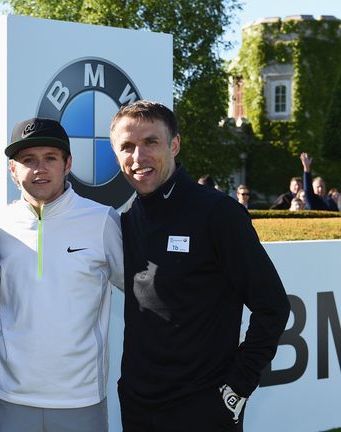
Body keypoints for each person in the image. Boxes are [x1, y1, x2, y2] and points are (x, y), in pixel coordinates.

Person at [109, 100, 290, 431]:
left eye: (151, 142)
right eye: (127, 147)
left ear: (174, 144)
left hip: (204, 410)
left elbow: (273, 306)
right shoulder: (126, 219)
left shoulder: (217, 213)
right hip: (138, 408)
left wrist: (235, 391)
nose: (139, 157)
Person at [0, 117, 123, 432]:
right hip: (12, 396)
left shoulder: (101, 220)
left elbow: (141, 291)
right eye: (28, 160)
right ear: (13, 169)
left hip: (81, 398)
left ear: (68, 164)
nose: (40, 168)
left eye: (50, 158)